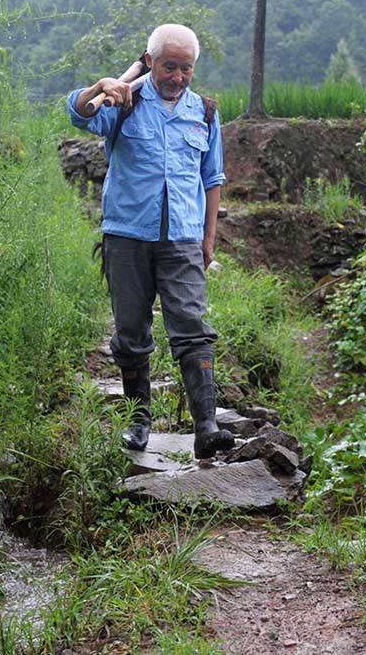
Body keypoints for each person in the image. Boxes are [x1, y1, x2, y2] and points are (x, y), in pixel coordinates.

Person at [67, 23, 235, 458]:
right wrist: (100, 87)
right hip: (127, 236)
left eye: (186, 68)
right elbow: (78, 113)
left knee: (193, 327)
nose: (177, 76)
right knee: (130, 331)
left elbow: (212, 179)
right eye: (169, 66)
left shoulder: (205, 113)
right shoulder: (123, 103)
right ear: (150, 62)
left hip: (182, 238)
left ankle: (207, 424)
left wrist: (208, 239)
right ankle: (138, 422)